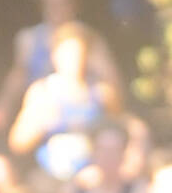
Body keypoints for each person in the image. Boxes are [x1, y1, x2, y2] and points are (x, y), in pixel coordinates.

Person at [0, 0, 123, 140]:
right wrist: (3, 108)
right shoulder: (29, 38)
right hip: (40, 109)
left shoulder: (89, 39)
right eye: (49, 3)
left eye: (62, 2)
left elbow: (111, 81)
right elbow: (19, 75)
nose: (55, 9)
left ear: (74, 4)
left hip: (83, 110)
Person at [7, 22, 118, 183]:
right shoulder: (42, 92)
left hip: (94, 174)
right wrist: (40, 124)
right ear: (55, 55)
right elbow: (18, 143)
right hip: (52, 175)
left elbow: (119, 130)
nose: (75, 60)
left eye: (79, 53)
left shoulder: (102, 93)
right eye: (68, 54)